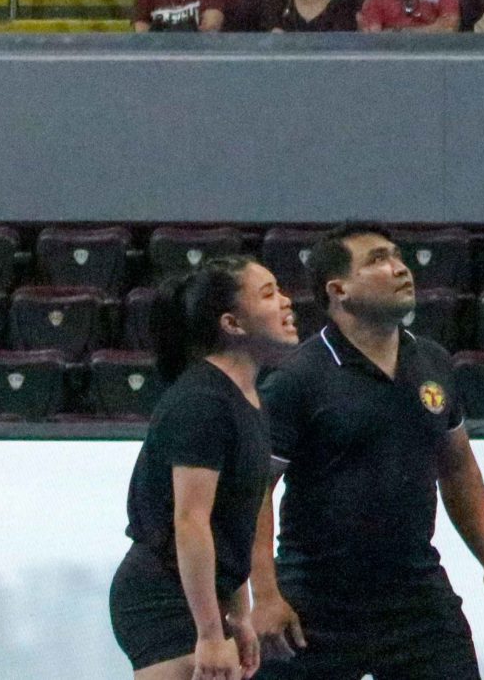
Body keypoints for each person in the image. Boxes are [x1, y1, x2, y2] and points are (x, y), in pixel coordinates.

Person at [248, 225, 484, 680]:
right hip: (317, 599)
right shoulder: (299, 378)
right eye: (376, 260)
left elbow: (457, 467)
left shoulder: (431, 362)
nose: (399, 269)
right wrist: (266, 596)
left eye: (397, 256)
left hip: (416, 592)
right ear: (338, 291)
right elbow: (254, 488)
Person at [106, 256, 299, 680]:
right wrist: (211, 634)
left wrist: (238, 617)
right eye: (268, 294)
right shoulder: (203, 402)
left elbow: (231, 526)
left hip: (201, 597)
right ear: (232, 324)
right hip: (162, 598)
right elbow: (190, 523)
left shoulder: (248, 400)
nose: (287, 302)